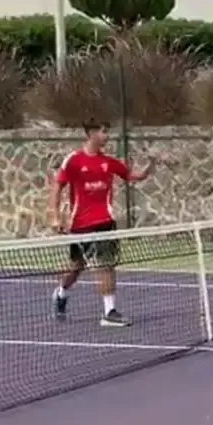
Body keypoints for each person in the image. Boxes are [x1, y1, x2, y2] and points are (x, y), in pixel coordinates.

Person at [47, 118, 153, 327]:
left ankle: (109, 312)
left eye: (107, 131)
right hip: (81, 225)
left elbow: (131, 175)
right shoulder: (74, 160)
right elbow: (57, 187)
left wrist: (150, 167)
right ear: (91, 133)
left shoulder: (108, 162)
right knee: (77, 267)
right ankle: (61, 292)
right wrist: (55, 216)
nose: (107, 136)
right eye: (103, 132)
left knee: (106, 265)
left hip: (105, 222)